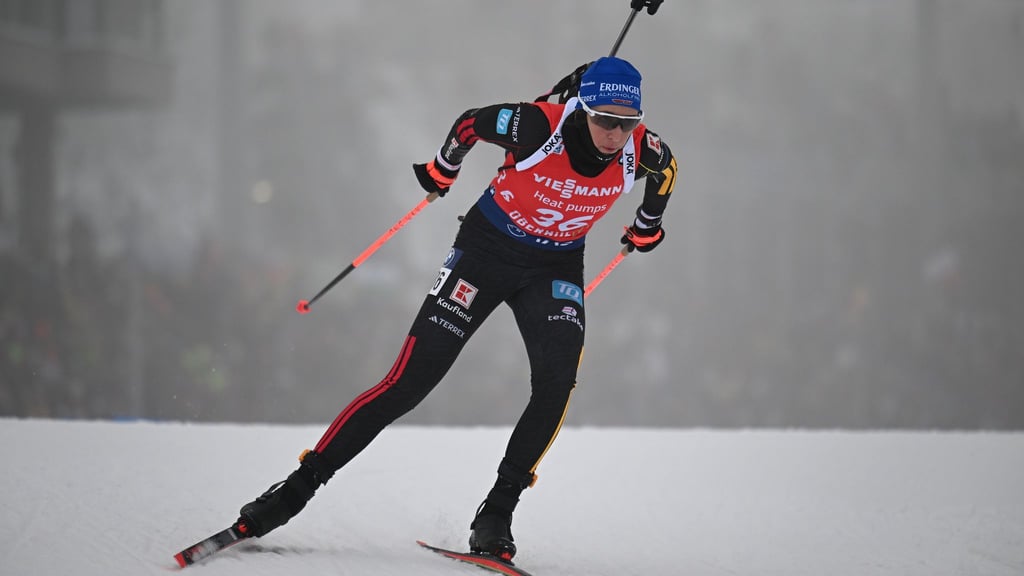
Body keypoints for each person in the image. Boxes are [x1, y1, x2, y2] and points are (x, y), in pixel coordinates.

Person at [233, 55, 678, 562]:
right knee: (410, 381)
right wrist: (444, 168)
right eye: (604, 119)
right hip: (486, 252)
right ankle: (295, 489)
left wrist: (647, 224)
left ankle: (496, 515)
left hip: (554, 268)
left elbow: (668, 172)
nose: (615, 134)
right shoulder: (535, 126)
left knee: (557, 382)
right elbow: (471, 122)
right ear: (583, 108)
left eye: (627, 123)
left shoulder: (644, 150)